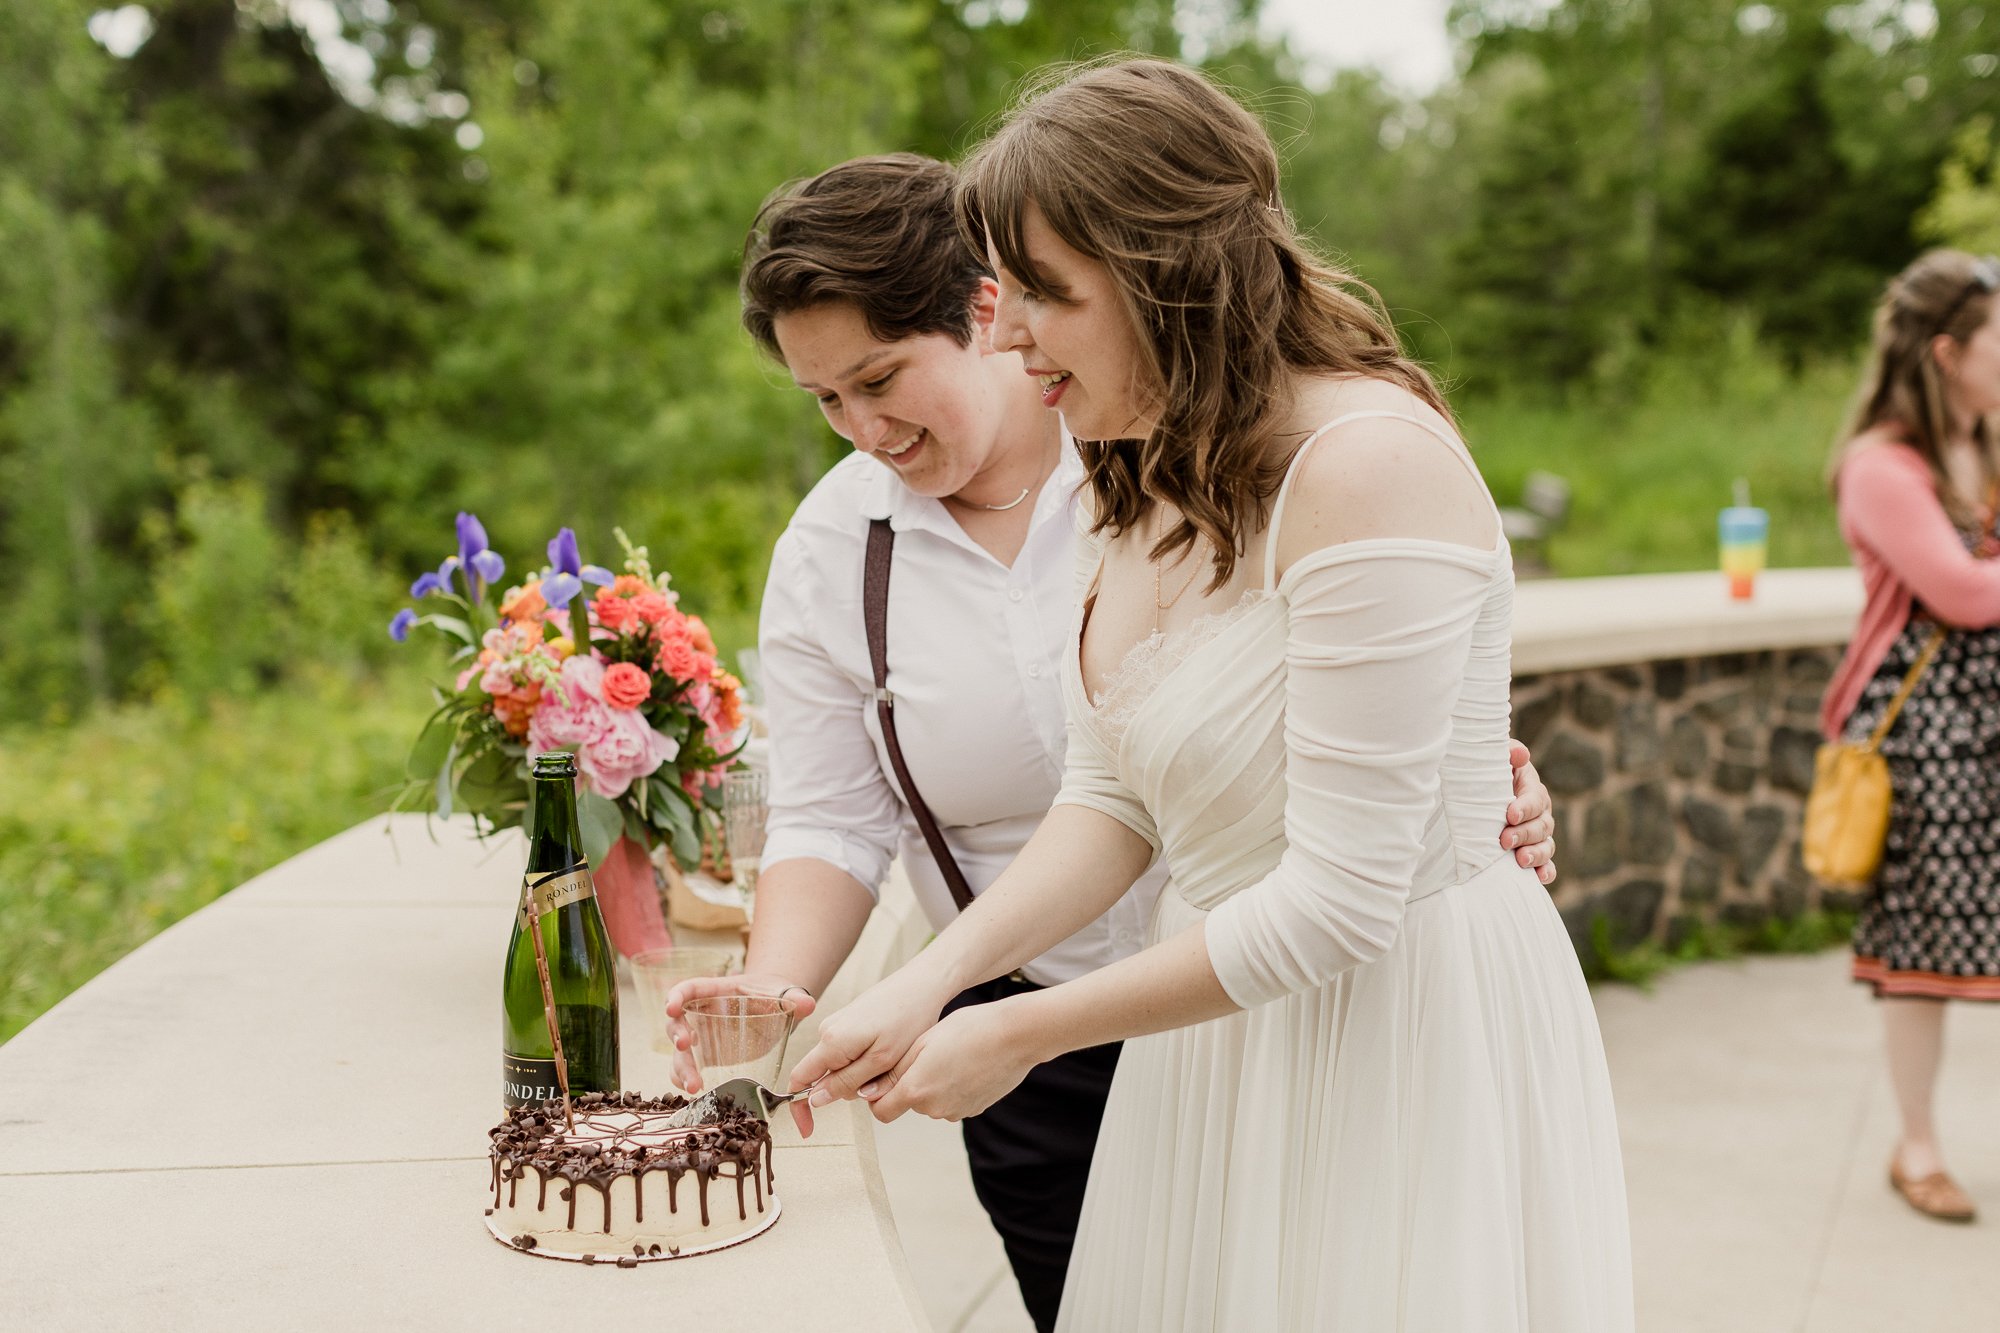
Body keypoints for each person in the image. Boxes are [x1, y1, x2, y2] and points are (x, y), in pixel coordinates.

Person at [787, 60, 1632, 1332]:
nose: (1006, 336)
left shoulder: (1370, 466)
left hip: (1391, 1039)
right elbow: (1110, 795)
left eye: (1041, 296)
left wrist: (1024, 1035)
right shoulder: (1139, 468)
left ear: (1167, 273)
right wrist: (930, 981)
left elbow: (1344, 899)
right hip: (1218, 1052)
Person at [1821, 248, 2000, 1225]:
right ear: (1946, 353)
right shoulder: (1879, 466)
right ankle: (1915, 1142)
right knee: (1924, 945)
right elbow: (1963, 593)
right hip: (1925, 733)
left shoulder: (1990, 445)